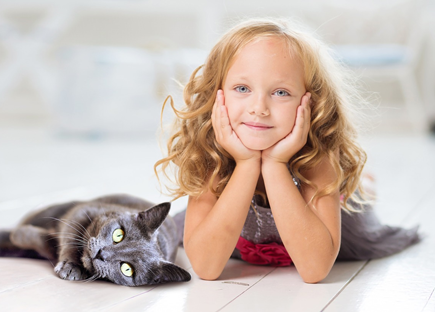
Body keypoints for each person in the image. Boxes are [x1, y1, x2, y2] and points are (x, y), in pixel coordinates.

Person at [154, 18, 420, 283]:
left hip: (338, 225)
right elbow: (205, 267)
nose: (259, 108)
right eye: (242, 88)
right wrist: (246, 164)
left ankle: (363, 185)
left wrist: (275, 164)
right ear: (217, 94)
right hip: (235, 235)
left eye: (281, 92)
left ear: (310, 102)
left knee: (357, 198)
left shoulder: (318, 155)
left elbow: (315, 270)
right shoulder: (212, 153)